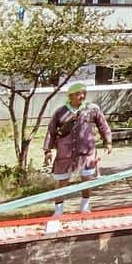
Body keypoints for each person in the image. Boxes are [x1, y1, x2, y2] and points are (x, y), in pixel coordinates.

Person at [43, 79, 112, 215]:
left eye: (84, 93)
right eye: (79, 94)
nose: (82, 96)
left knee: (87, 180)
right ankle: (58, 211)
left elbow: (103, 125)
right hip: (65, 153)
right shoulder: (60, 112)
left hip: (86, 152)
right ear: (71, 96)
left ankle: (84, 207)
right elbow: (51, 131)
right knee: (61, 182)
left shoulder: (92, 109)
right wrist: (48, 150)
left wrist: (108, 141)